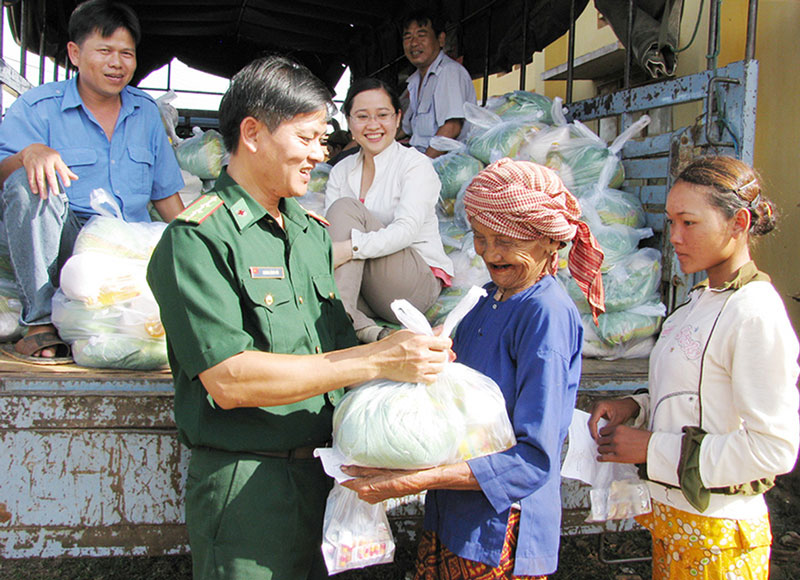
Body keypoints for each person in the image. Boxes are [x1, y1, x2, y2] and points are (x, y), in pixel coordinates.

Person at [146, 55, 452, 580]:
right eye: (307, 137)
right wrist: (375, 359)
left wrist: (401, 344)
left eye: (323, 139)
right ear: (253, 133)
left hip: (327, 478)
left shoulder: (309, 233)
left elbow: (336, 338)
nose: (320, 153)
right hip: (249, 488)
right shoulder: (196, 239)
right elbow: (230, 379)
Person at [342, 158, 605, 578]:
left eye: (506, 240)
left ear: (549, 243)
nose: (489, 254)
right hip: (453, 513)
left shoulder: (546, 315)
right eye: (481, 239)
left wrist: (412, 481)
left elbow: (532, 461)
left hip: (499, 530)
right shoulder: (486, 298)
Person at [588, 156, 799, 579]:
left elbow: (775, 448)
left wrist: (652, 448)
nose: (676, 237)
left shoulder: (754, 312)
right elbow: (699, 399)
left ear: (738, 222)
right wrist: (636, 406)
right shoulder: (699, 301)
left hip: (720, 538)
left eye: (690, 223)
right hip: (677, 524)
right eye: (671, 222)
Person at [0, 0, 184, 362]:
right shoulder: (39, 107)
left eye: (126, 53)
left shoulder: (146, 112)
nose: (117, 63)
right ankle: (39, 323)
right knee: (27, 181)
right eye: (105, 51)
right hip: (65, 247)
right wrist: (28, 154)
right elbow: (6, 178)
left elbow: (168, 201)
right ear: (74, 53)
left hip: (127, 251)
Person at [325, 77, 453, 343]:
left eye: (382, 115)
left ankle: (337, 324)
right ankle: (363, 327)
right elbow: (330, 233)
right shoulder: (341, 171)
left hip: (413, 284)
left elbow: (406, 231)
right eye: (362, 116)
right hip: (367, 291)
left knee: (346, 209)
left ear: (397, 118)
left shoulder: (415, 165)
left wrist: (347, 249)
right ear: (349, 122)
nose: (373, 125)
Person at [399, 10, 476, 158]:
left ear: (441, 39)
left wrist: (423, 167)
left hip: (446, 165)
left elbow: (451, 128)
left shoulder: (449, 71)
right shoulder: (414, 81)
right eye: (408, 37)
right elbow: (406, 128)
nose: (414, 43)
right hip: (420, 158)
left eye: (421, 35)